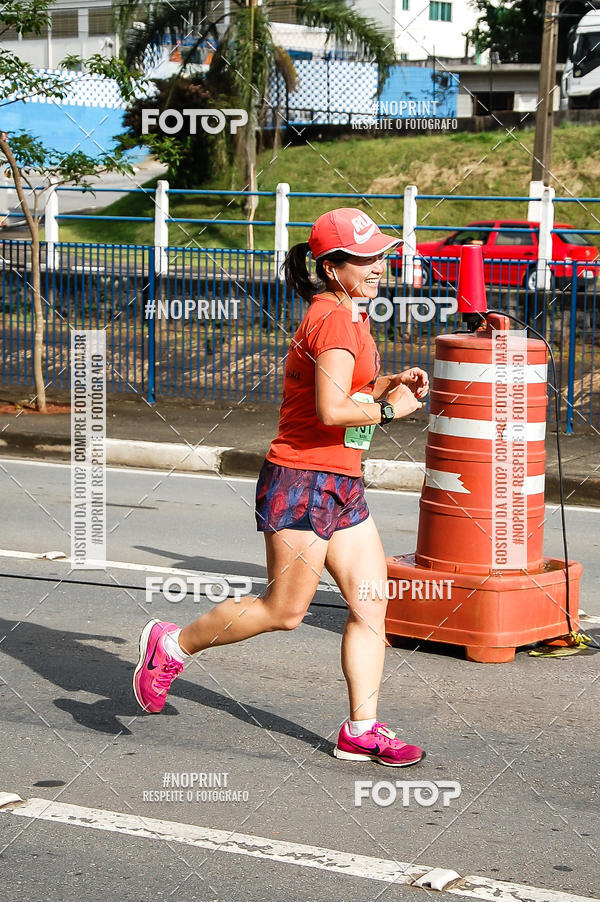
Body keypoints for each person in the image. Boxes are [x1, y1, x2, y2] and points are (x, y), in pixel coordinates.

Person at [133, 207, 429, 767]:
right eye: (364, 258)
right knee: (285, 611)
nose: (377, 266)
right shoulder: (336, 318)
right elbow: (331, 407)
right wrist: (390, 409)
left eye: (379, 255)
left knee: (371, 604)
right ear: (332, 265)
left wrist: (388, 383)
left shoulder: (346, 314)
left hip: (342, 480)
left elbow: (347, 391)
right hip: (301, 479)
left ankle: (360, 730)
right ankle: (171, 644)